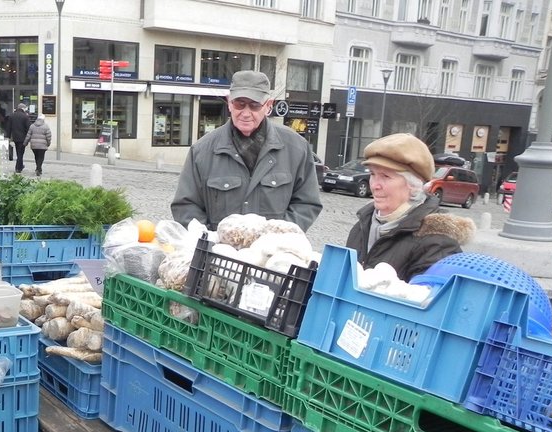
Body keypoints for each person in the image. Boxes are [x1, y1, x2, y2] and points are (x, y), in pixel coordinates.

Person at [171, 69, 322, 232]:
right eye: (239, 104)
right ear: (229, 103)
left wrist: (278, 236)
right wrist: (212, 241)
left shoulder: (297, 148)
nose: (246, 113)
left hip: (273, 253)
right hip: (218, 253)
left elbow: (307, 203)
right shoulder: (202, 151)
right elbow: (185, 206)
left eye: (254, 105)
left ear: (268, 105)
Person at [345, 132, 473, 281]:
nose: (374, 185)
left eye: (386, 176)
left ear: (413, 185)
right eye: (373, 174)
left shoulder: (436, 241)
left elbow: (425, 299)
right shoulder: (363, 223)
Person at [8, 102, 31, 174]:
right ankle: (18, 167)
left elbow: (8, 127)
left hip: (15, 137)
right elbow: (28, 128)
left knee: (18, 152)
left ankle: (20, 165)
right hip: (23, 138)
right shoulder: (25, 116)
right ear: (23, 108)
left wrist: (8, 136)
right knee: (21, 153)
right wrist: (29, 137)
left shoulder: (12, 115)